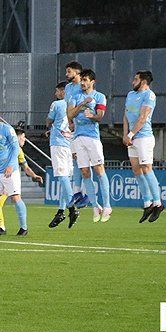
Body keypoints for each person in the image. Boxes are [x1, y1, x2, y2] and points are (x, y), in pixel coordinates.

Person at [67, 69, 112, 223]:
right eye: (82, 80)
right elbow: (69, 115)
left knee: (99, 170)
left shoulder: (99, 96)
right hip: (78, 138)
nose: (83, 83)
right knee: (85, 172)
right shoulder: (76, 96)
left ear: (93, 81)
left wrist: (91, 115)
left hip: (92, 138)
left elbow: (100, 117)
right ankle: (95, 205)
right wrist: (82, 104)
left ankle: (107, 206)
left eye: (86, 80)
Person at [124, 70, 165, 222]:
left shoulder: (149, 95)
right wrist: (125, 134)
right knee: (136, 170)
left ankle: (158, 204)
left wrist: (131, 134)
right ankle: (147, 204)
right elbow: (126, 115)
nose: (132, 82)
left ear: (143, 81)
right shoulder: (130, 95)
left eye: (135, 79)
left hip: (143, 137)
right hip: (132, 137)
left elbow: (143, 117)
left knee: (146, 168)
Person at [0, 106, 28, 236]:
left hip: (9, 171)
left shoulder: (7, 129)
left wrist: (10, 165)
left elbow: (15, 148)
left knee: (15, 198)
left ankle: (23, 228)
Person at [46, 82, 77, 228]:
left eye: (57, 91)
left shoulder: (57, 104)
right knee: (67, 180)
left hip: (58, 143)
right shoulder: (76, 105)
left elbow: (49, 121)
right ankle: (61, 211)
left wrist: (50, 126)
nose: (56, 94)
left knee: (62, 177)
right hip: (70, 143)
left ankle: (72, 207)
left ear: (63, 91)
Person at [63, 61, 91, 210]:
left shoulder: (84, 87)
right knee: (75, 160)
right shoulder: (68, 87)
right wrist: (69, 121)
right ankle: (77, 192)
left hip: (84, 129)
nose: (66, 74)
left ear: (77, 73)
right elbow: (68, 107)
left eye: (69, 71)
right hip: (71, 127)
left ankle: (86, 193)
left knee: (84, 162)